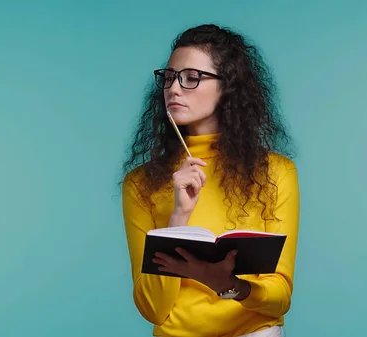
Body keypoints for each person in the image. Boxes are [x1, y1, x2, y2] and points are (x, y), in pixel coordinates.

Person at [120, 23, 300, 337]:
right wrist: (178, 220)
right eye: (169, 77)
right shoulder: (140, 184)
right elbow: (153, 309)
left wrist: (229, 286)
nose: (173, 89)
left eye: (192, 78)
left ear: (227, 87)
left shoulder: (276, 172)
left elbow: (280, 299)